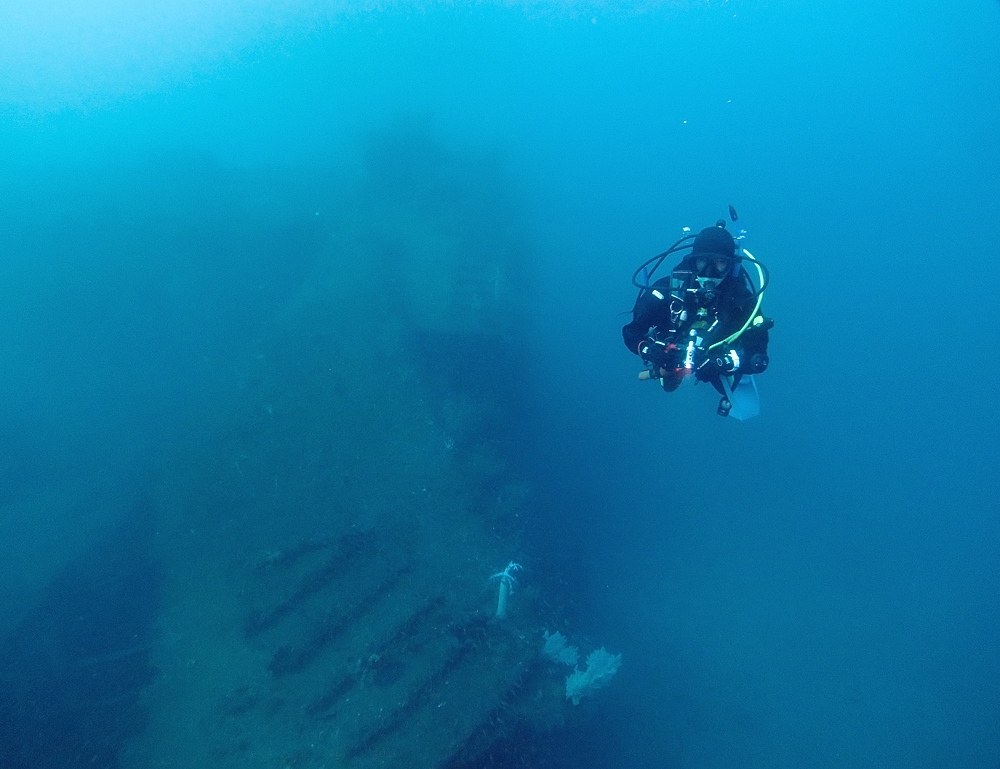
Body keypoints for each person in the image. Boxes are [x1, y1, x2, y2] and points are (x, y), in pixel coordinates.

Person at [622, 217, 773, 417]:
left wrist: (724, 362)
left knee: (731, 383)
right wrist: (649, 351)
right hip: (672, 351)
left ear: (730, 266)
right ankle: (670, 371)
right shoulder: (668, 290)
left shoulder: (742, 300)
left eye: (719, 263)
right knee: (668, 384)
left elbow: (759, 358)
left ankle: (726, 376)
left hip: (717, 357)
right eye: (702, 262)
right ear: (693, 262)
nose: (709, 272)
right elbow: (631, 331)